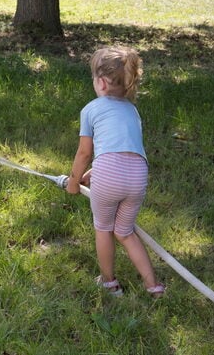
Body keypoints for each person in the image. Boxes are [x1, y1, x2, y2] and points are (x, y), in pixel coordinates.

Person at [66, 46, 165, 298]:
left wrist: (74, 181)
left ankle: (109, 282)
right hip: (137, 176)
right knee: (125, 231)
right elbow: (120, 150)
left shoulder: (91, 109)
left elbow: (85, 153)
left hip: (109, 175)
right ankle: (154, 286)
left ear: (100, 82)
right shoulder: (132, 110)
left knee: (104, 228)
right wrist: (94, 174)